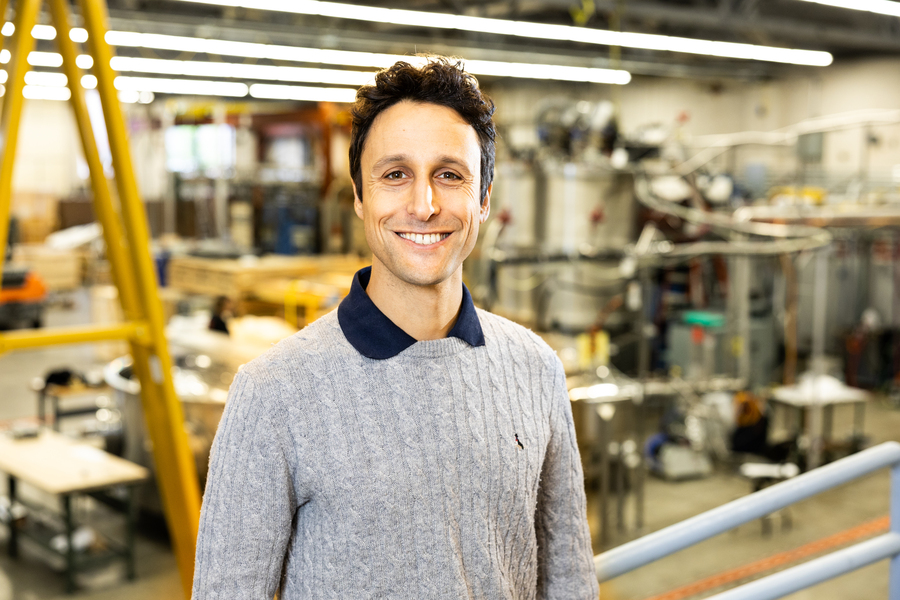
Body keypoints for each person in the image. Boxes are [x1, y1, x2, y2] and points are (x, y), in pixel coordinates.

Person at [192, 57, 598, 599]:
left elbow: (569, 580)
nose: (424, 205)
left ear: (484, 199)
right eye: (395, 174)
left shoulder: (535, 368)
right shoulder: (273, 394)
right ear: (360, 196)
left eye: (449, 175)